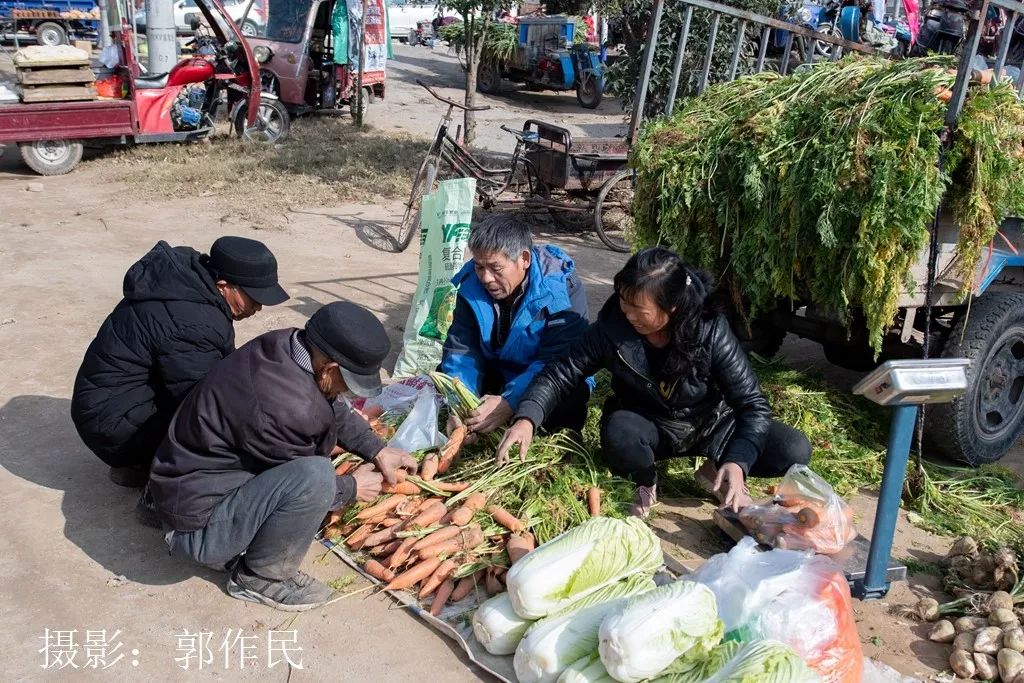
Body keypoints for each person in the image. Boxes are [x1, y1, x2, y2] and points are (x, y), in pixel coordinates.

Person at [496, 247, 812, 517]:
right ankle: (645, 481)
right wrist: (527, 418)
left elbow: (752, 405)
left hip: (709, 423)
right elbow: (561, 372)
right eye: (624, 300)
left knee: (793, 450)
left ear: (671, 308)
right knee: (619, 431)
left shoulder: (710, 329)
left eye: (639, 309)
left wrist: (739, 460)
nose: (627, 313)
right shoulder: (612, 328)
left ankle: (717, 469)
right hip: (648, 425)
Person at [150, 301, 418, 612]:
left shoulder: (287, 346)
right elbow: (307, 483)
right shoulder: (286, 410)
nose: (345, 393)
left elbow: (329, 402)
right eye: (347, 384)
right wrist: (352, 488)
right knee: (317, 475)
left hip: (178, 486)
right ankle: (259, 578)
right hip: (196, 526)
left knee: (315, 468)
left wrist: (377, 449)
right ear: (330, 368)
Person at [71, 237, 288, 494]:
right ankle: (156, 482)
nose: (259, 307)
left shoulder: (186, 284)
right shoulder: (193, 323)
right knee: (222, 436)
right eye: (253, 298)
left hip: (105, 407)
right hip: (113, 428)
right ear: (223, 286)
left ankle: (140, 463)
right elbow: (206, 405)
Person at [439, 213, 591, 439]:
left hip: (543, 375)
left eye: (495, 268)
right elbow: (462, 349)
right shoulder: (471, 284)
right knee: (447, 376)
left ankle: (562, 437)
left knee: (570, 392)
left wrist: (510, 401)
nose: (486, 278)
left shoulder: (560, 289)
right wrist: (461, 403)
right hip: (500, 369)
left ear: (524, 259)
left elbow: (559, 361)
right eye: (479, 267)